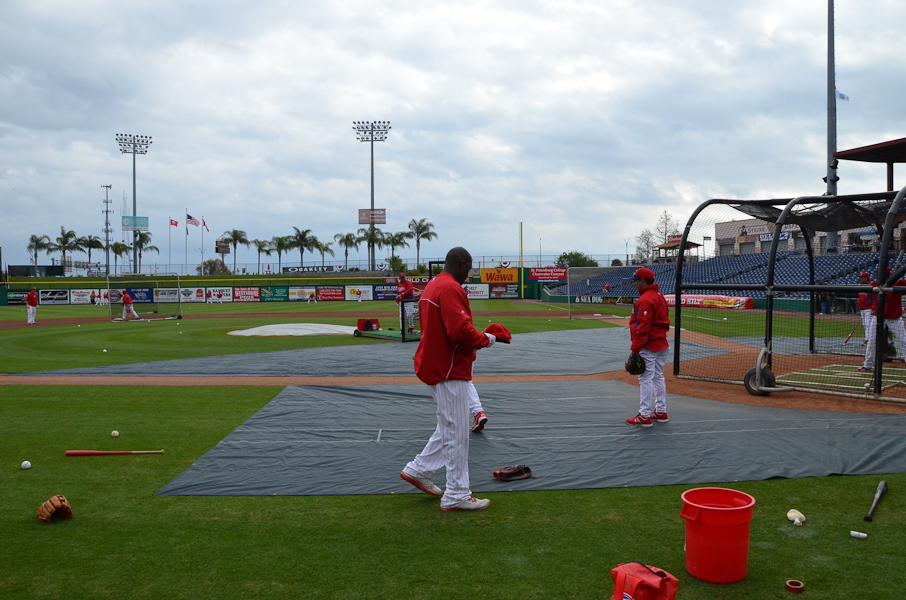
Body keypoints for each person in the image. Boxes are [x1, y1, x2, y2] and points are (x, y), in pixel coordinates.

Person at [400, 247, 500, 511]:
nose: (469, 273)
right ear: (462, 263)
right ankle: (456, 494)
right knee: (456, 432)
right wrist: (486, 340)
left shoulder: (433, 284)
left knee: (449, 425)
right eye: (469, 268)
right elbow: (458, 330)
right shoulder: (451, 287)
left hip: (435, 365)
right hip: (448, 368)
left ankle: (418, 469)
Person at [626, 267, 671, 427]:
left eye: (636, 281)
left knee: (645, 379)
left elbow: (643, 327)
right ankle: (661, 411)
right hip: (662, 343)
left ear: (643, 281)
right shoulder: (659, 295)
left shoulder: (646, 299)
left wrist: (635, 349)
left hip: (649, 345)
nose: (635, 284)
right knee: (658, 377)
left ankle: (645, 415)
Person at [860, 267, 906, 372]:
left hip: (894, 317)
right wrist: (884, 288)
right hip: (878, 316)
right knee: (871, 341)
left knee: (903, 341)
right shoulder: (875, 284)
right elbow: (870, 293)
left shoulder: (898, 283)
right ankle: (867, 365)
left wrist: (892, 282)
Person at [857, 272, 875, 347]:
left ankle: (869, 340)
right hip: (862, 308)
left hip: (868, 308)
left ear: (866, 278)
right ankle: (867, 339)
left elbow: (873, 298)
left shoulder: (871, 285)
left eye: (862, 277)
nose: (860, 279)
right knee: (865, 324)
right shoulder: (861, 286)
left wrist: (873, 307)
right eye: (860, 277)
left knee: (868, 324)